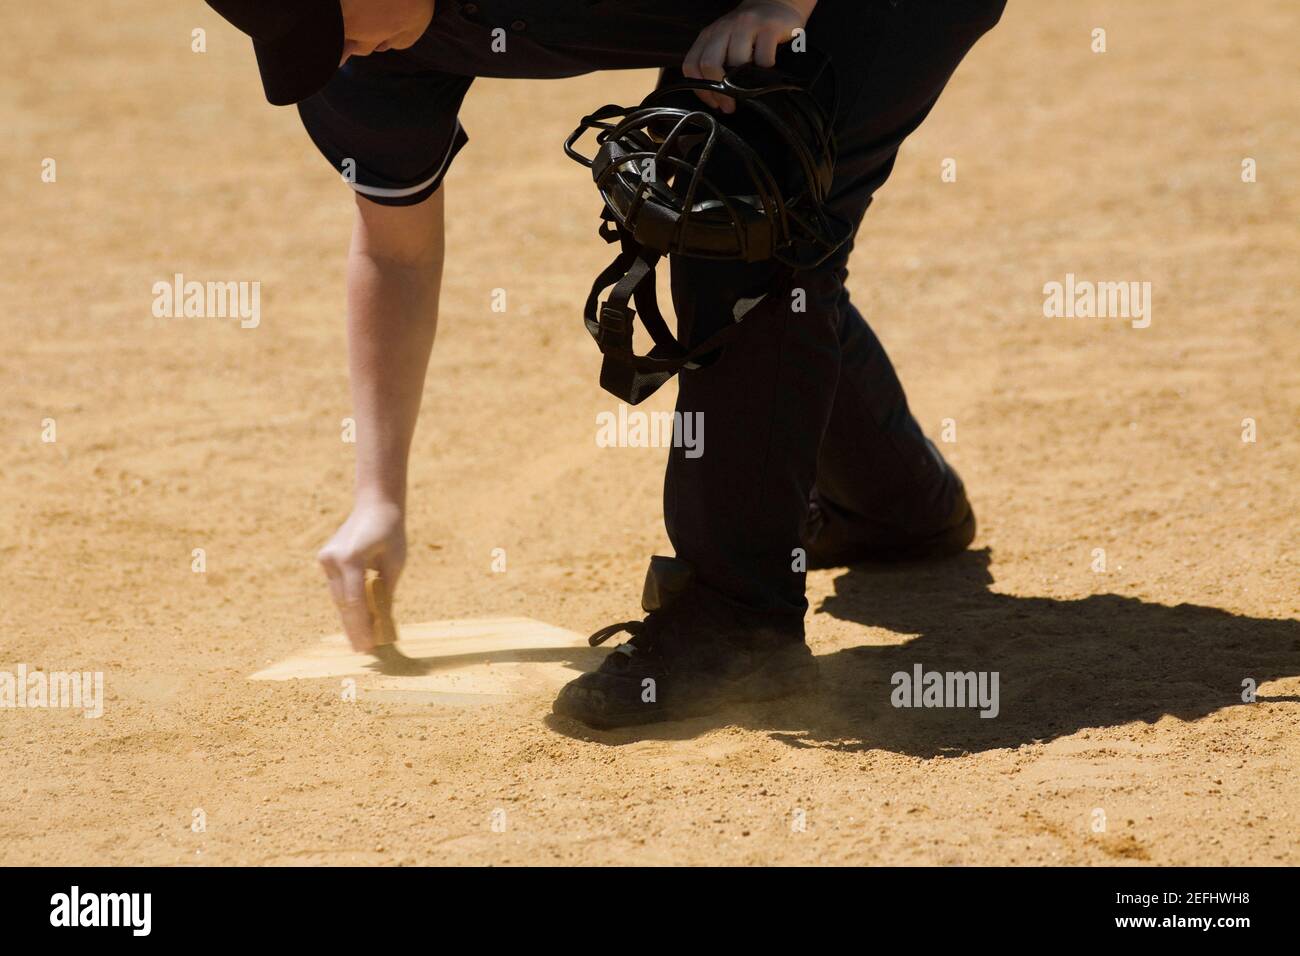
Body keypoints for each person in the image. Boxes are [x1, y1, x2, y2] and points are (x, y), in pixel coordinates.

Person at [205, 0, 1006, 728]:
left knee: (737, 192)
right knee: (711, 196)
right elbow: (395, 253)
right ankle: (891, 502)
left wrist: (784, 0)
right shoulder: (357, 55)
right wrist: (378, 498)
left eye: (328, 16)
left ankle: (738, 616)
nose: (334, 49)